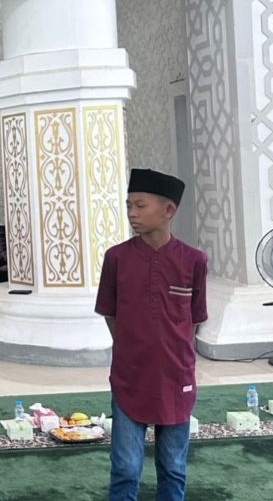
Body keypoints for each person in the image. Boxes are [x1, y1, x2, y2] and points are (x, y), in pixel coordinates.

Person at [95, 169, 207, 501]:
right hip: (130, 375)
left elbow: (193, 320)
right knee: (126, 469)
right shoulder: (116, 258)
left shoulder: (194, 261)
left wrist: (171, 351)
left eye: (140, 206)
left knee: (173, 467)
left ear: (168, 210)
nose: (132, 213)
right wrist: (133, 348)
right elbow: (111, 313)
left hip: (176, 377)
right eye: (129, 205)